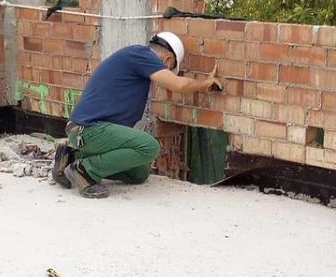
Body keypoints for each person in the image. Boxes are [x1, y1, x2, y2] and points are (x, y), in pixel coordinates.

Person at [53, 32, 220, 198]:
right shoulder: (142, 55)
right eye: (169, 69)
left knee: (139, 174)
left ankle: (71, 156)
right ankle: (85, 171)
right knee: (149, 147)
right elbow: (178, 85)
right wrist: (205, 83)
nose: (166, 72)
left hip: (90, 131)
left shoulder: (136, 58)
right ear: (167, 59)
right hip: (89, 129)